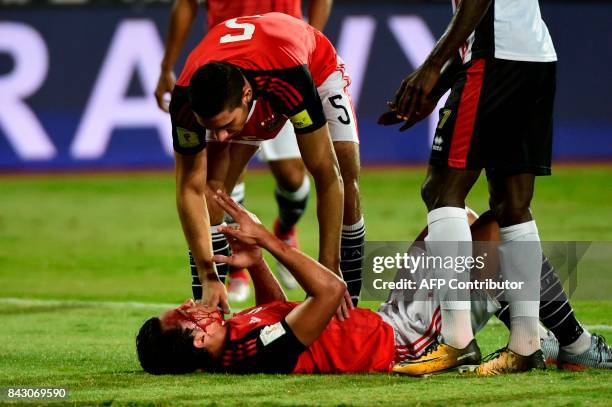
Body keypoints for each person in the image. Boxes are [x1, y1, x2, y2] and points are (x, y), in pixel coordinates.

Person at [136, 191, 612, 375]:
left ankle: (536, 336)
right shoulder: (251, 352)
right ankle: (575, 344)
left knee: (454, 225)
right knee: (496, 232)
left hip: (387, 320)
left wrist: (258, 263)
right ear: (197, 336)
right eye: (183, 314)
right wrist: (272, 242)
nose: (187, 303)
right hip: (403, 342)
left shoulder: (240, 340)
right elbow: (330, 291)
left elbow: (279, 313)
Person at [379, 0, 558, 375]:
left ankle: (457, 342)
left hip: (495, 58)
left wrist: (430, 68)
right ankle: (525, 345)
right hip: (534, 57)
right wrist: (440, 84)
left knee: (442, 190)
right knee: (513, 204)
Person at [170, 13, 365, 320]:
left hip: (313, 67)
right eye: (210, 128)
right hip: (252, 70)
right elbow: (189, 189)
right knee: (213, 191)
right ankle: (210, 310)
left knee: (345, 168)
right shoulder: (184, 101)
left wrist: (327, 269)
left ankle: (348, 300)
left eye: (225, 125)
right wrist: (208, 274)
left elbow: (327, 177)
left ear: (246, 97)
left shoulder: (290, 79)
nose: (218, 137)